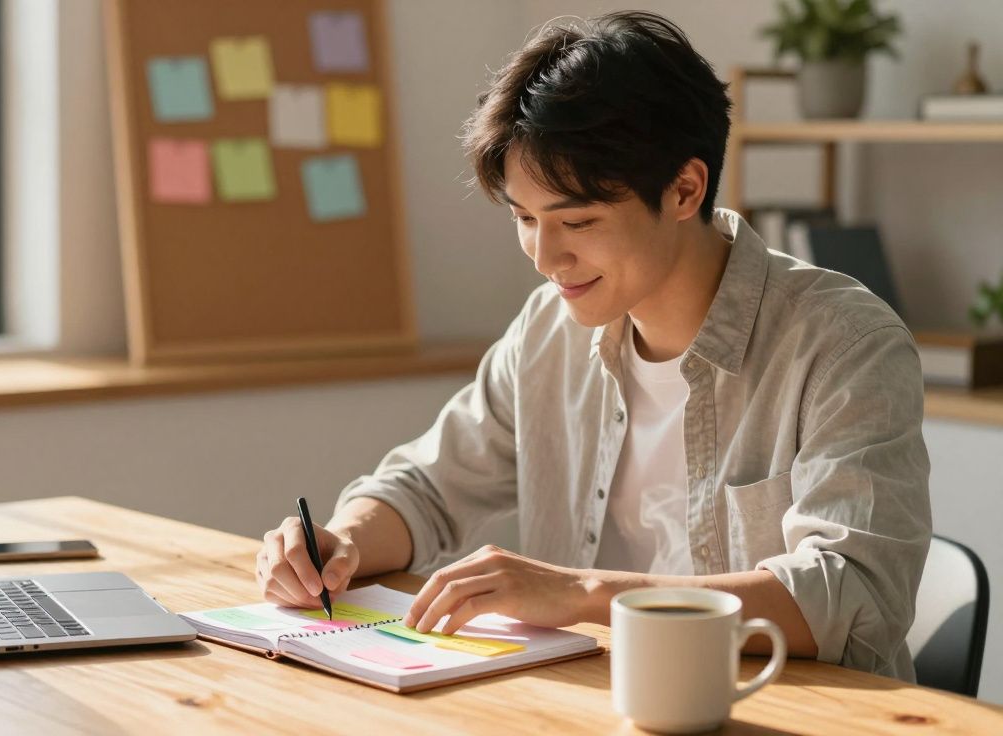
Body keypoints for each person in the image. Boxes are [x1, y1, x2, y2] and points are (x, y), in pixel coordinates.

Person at [254, 11, 930, 680]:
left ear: (684, 189)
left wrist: (582, 594)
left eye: (577, 220)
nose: (546, 257)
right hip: (583, 707)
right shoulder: (548, 329)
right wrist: (342, 539)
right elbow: (427, 487)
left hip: (789, 711)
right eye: (524, 218)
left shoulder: (843, 344)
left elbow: (851, 593)